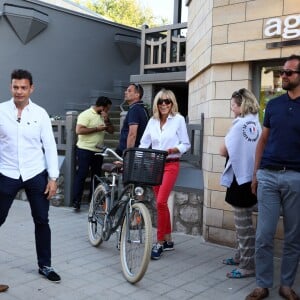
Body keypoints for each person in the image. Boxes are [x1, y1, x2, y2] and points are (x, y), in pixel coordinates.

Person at [246, 54, 300, 300]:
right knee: (263, 234)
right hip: (268, 175)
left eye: (289, 72)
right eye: (283, 71)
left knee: (293, 236)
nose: (284, 76)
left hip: (296, 178)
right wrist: (255, 173)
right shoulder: (274, 105)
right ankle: (262, 284)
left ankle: (286, 285)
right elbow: (263, 140)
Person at [0, 69, 60, 282]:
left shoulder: (40, 113)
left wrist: (53, 177)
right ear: (11, 87)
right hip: (7, 173)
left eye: (23, 87)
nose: (19, 91)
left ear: (31, 88)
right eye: (16, 87)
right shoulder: (1, 111)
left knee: (42, 219)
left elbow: (50, 146)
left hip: (35, 174)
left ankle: (45, 265)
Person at [139, 89, 190, 260]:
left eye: (167, 101)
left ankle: (159, 242)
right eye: (160, 101)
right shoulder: (152, 121)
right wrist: (136, 157)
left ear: (172, 102)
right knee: (161, 205)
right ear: (156, 103)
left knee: (160, 201)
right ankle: (168, 240)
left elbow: (186, 143)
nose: (164, 104)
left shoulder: (178, 120)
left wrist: (175, 149)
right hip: (154, 164)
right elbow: (144, 143)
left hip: (170, 164)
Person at [220, 88, 261, 279]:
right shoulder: (257, 124)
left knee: (243, 226)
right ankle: (239, 256)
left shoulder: (239, 125)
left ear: (241, 105)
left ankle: (247, 265)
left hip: (240, 179)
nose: (231, 108)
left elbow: (222, 150)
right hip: (252, 177)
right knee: (244, 224)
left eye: (233, 105)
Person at [72, 96, 114, 211]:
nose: (108, 111)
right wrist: (97, 129)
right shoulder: (85, 114)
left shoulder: (104, 116)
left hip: (98, 152)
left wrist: (107, 120)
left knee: (96, 177)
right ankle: (76, 202)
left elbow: (111, 131)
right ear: (102, 107)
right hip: (84, 150)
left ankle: (93, 201)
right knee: (81, 175)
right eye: (107, 109)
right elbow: (79, 130)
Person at [116, 83, 149, 156]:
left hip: (132, 154)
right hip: (137, 152)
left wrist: (128, 155)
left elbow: (132, 134)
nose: (125, 92)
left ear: (137, 95)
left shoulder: (135, 109)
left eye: (129, 91)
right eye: (126, 90)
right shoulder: (141, 108)